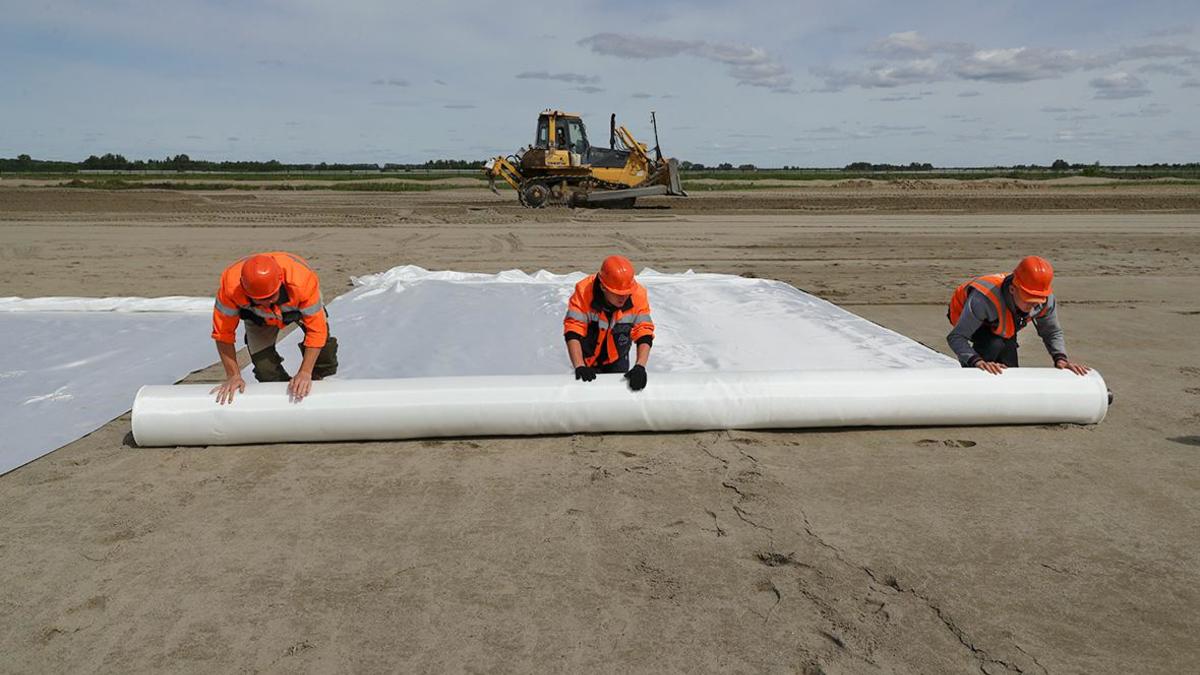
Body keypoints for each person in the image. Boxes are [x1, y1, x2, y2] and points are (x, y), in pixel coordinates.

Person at [210, 252, 338, 404]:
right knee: (265, 370)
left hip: (295, 308)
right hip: (257, 318)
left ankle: (314, 381)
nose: (266, 303)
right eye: (259, 300)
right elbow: (223, 334)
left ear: (281, 283)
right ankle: (284, 403)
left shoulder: (302, 282)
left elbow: (316, 331)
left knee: (324, 352)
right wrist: (233, 376)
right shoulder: (230, 289)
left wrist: (305, 372)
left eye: (270, 297)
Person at [947, 256, 1089, 376]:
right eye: (1028, 300)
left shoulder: (1044, 299)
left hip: (1003, 319)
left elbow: (1051, 331)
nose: (1033, 306)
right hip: (964, 314)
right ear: (1012, 289)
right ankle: (974, 381)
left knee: (1009, 361)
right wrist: (977, 361)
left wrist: (1060, 358)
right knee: (993, 344)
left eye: (1037, 301)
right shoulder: (983, 299)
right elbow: (956, 337)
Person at [563, 255, 655, 391]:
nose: (623, 297)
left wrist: (640, 366)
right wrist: (579, 366)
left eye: (627, 293)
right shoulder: (584, 292)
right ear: (603, 287)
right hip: (587, 357)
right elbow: (573, 330)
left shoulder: (638, 295)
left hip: (617, 356)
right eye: (617, 293)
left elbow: (644, 332)